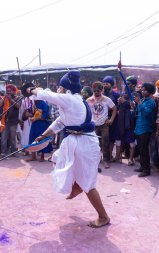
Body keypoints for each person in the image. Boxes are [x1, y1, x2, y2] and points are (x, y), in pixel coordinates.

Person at [28, 70, 110, 228]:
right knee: (60, 160)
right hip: (79, 141)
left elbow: (48, 96)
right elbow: (60, 122)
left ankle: (103, 216)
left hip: (85, 144)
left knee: (89, 184)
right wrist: (43, 135)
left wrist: (30, 90)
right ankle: (77, 186)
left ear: (66, 88)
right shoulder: (74, 102)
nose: (58, 89)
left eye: (60, 87)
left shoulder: (71, 99)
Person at [87, 82, 117, 169]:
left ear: (101, 90)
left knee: (105, 143)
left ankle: (106, 161)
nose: (96, 92)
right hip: (93, 125)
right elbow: (85, 111)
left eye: (98, 91)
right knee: (94, 143)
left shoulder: (106, 99)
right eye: (95, 90)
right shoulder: (89, 100)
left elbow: (114, 108)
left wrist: (111, 119)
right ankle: (95, 160)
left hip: (104, 124)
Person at [132, 83, 156, 177]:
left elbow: (146, 113)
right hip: (138, 127)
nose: (143, 91)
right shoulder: (142, 100)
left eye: (145, 90)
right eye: (142, 90)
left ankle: (146, 170)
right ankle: (142, 167)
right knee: (140, 149)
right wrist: (134, 106)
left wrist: (139, 104)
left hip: (146, 128)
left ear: (150, 92)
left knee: (144, 149)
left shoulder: (151, 102)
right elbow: (138, 112)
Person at [102, 76, 121, 162]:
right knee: (103, 138)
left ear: (112, 85)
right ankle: (105, 156)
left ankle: (109, 156)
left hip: (113, 120)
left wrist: (113, 113)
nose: (105, 85)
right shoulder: (101, 94)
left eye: (107, 83)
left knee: (111, 138)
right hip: (102, 120)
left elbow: (119, 108)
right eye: (104, 83)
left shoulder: (116, 95)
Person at [0, 84, 21, 156]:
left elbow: (18, 106)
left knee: (13, 138)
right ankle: (3, 152)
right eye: (7, 91)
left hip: (13, 121)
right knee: (3, 138)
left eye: (10, 91)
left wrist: (10, 99)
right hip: (5, 121)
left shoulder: (18, 98)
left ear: (13, 91)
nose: (8, 93)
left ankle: (14, 152)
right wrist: (5, 97)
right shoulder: (5, 98)